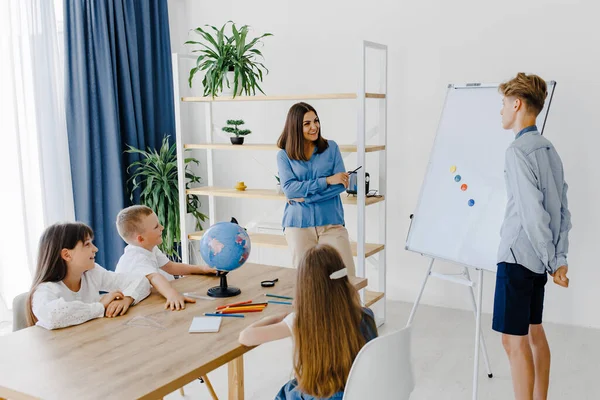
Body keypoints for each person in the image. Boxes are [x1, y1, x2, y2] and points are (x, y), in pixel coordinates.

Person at [494, 73, 572, 400]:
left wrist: (553, 260)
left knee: (513, 341)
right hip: (539, 262)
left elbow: (532, 213)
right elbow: (561, 210)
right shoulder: (549, 149)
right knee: (534, 332)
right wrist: (558, 259)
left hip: (517, 259)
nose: (500, 111)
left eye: (502, 104)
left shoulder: (518, 151)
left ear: (517, 104)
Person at [239, 244, 377, 399]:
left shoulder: (301, 321)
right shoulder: (366, 315)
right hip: (358, 392)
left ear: (306, 287)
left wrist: (275, 317)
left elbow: (246, 337)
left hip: (324, 394)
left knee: (287, 391)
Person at [276, 102, 355, 275]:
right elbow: (290, 190)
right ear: (295, 127)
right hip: (298, 225)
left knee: (346, 278)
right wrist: (326, 180)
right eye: (307, 123)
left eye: (316, 121)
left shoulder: (331, 148)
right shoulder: (284, 155)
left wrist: (306, 198)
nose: (314, 127)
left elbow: (341, 184)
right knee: (306, 282)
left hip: (331, 224)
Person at [27, 222, 151, 330]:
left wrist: (128, 298)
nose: (95, 249)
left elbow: (141, 281)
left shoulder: (91, 273)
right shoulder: (45, 290)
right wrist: (100, 306)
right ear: (67, 255)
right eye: (87, 244)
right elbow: (52, 316)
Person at [115, 205, 214, 311]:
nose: (162, 227)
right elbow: (154, 278)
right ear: (141, 238)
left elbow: (170, 266)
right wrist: (172, 295)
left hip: (148, 299)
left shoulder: (150, 248)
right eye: (156, 226)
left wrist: (202, 269)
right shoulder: (136, 257)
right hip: (133, 307)